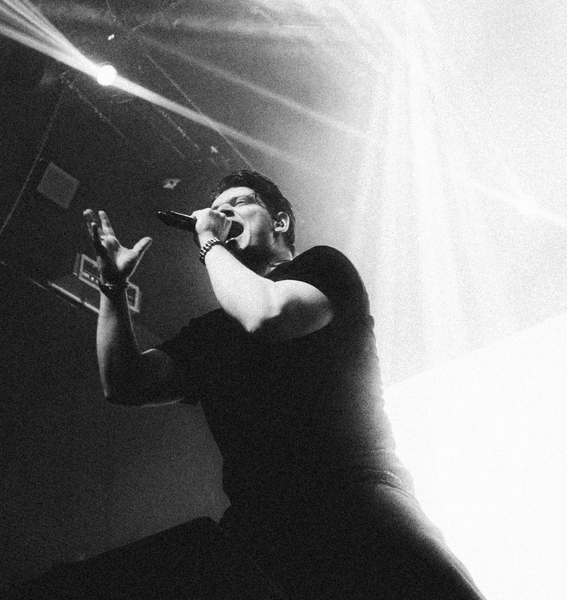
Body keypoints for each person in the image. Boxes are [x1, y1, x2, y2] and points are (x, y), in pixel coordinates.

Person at [83, 170, 485, 599]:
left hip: (355, 501)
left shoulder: (322, 268)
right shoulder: (211, 332)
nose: (221, 213)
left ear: (279, 222)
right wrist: (113, 286)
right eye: (216, 209)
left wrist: (209, 240)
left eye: (238, 203)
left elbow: (267, 314)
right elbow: (124, 384)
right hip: (261, 530)